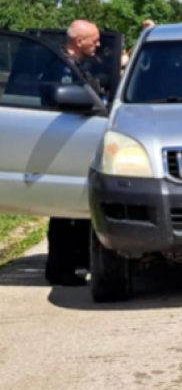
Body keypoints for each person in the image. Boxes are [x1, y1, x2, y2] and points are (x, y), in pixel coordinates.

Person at [42, 20, 104, 287]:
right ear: (79, 41)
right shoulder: (62, 69)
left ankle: (78, 262)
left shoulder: (76, 66)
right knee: (64, 212)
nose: (98, 45)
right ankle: (60, 269)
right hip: (63, 146)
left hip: (75, 144)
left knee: (77, 211)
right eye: (95, 40)